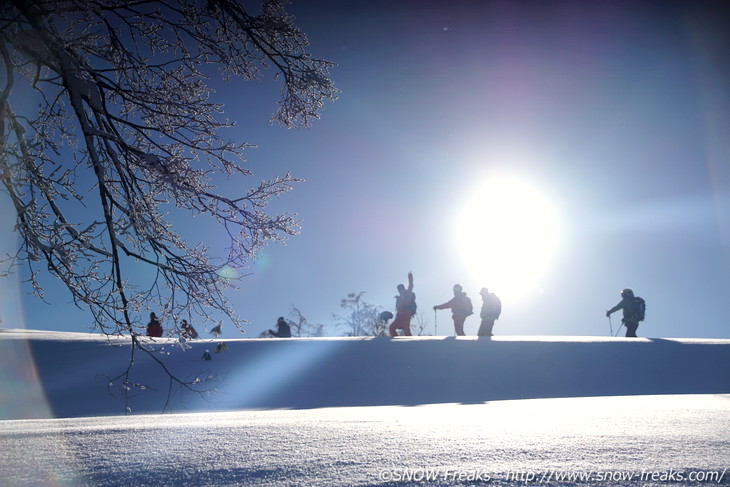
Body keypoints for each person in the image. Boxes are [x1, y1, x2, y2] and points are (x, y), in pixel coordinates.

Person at [390, 271, 416, 337]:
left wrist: (410, 277)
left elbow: (411, 285)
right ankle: (397, 342)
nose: (399, 290)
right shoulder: (399, 297)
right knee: (391, 328)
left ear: (402, 288)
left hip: (406, 314)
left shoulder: (408, 293)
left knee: (406, 330)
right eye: (398, 289)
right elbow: (398, 308)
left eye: (400, 288)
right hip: (400, 316)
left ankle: (412, 344)